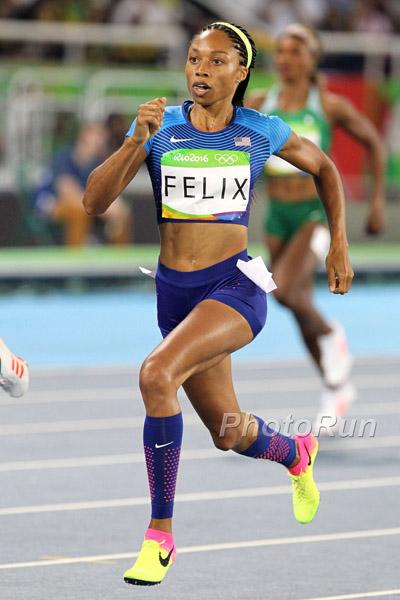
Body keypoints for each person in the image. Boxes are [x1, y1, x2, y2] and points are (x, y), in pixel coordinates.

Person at [83, 22, 353, 586]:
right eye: (193, 59)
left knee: (156, 375)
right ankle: (295, 452)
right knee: (229, 432)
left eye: (215, 61)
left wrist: (339, 245)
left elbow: (326, 168)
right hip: (174, 295)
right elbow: (93, 203)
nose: (200, 70)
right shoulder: (159, 126)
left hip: (234, 288)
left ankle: (160, 537)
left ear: (241, 72)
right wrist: (134, 140)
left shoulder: (260, 130)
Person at [246, 24, 385, 430]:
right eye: (281, 51)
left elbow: (374, 144)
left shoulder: (328, 105)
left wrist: (376, 202)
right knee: (294, 304)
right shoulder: (260, 103)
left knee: (285, 291)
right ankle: (334, 386)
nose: (286, 58)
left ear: (313, 59)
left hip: (313, 213)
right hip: (277, 216)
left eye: (296, 51)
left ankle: (331, 332)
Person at [34, 123, 131, 246]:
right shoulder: (64, 157)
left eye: (100, 141)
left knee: (121, 212)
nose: (97, 144)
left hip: (86, 205)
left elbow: (106, 190)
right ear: (82, 139)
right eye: (93, 140)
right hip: (50, 203)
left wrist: (115, 205)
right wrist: (102, 208)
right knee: (78, 210)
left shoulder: (98, 162)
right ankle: (76, 255)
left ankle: (119, 255)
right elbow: (67, 192)